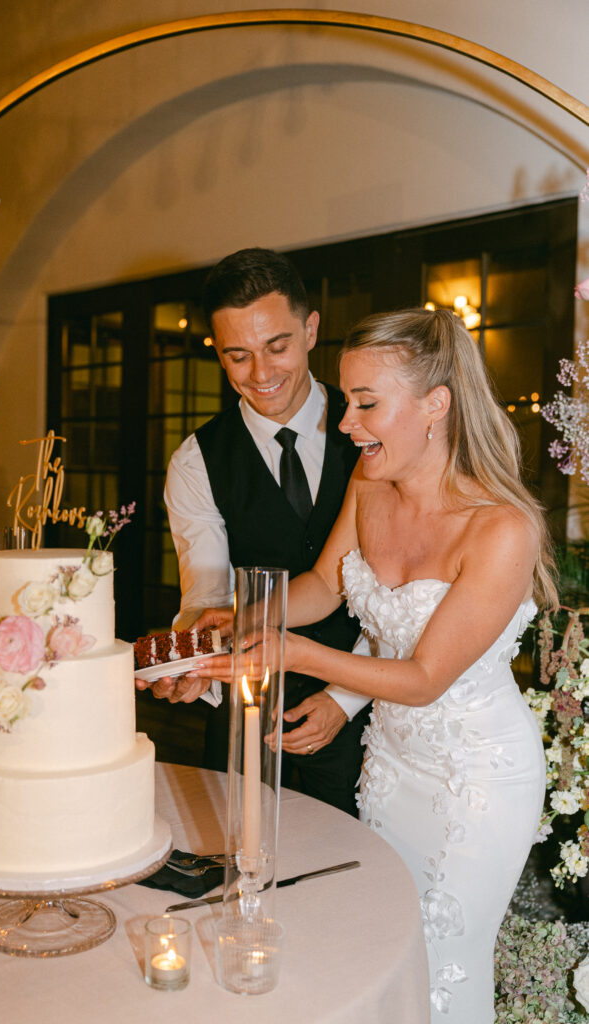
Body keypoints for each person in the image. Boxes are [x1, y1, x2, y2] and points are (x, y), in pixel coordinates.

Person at [201, 307, 553, 1023]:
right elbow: (323, 588)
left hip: (475, 780)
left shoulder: (501, 529)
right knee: (384, 943)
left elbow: (423, 678)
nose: (345, 424)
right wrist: (241, 619)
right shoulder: (368, 490)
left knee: (443, 962)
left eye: (366, 404)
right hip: (390, 762)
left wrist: (295, 653)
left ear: (435, 405)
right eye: (348, 401)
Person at [137, 247, 369, 813]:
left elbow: (408, 589)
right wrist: (194, 665)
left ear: (311, 330)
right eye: (237, 356)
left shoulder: (371, 429)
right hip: (251, 721)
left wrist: (345, 697)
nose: (261, 375)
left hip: (373, 714)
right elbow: (210, 597)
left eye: (277, 346)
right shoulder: (196, 461)